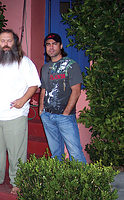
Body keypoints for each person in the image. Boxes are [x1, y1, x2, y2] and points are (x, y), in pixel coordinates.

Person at [0, 29, 41, 194]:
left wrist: (23, 100)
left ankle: (17, 181)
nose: (6, 44)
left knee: (17, 152)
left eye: (9, 40)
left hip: (15, 115)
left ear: (15, 43)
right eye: (2, 41)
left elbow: (34, 84)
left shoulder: (24, 62)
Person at [39, 33, 87, 163]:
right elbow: (43, 89)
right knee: (56, 153)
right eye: (48, 45)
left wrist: (66, 113)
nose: (51, 47)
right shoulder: (45, 68)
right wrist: (41, 110)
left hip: (65, 117)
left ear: (61, 46)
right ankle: (59, 182)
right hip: (48, 115)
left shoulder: (71, 65)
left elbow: (76, 91)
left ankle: (81, 182)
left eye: (54, 44)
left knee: (75, 152)